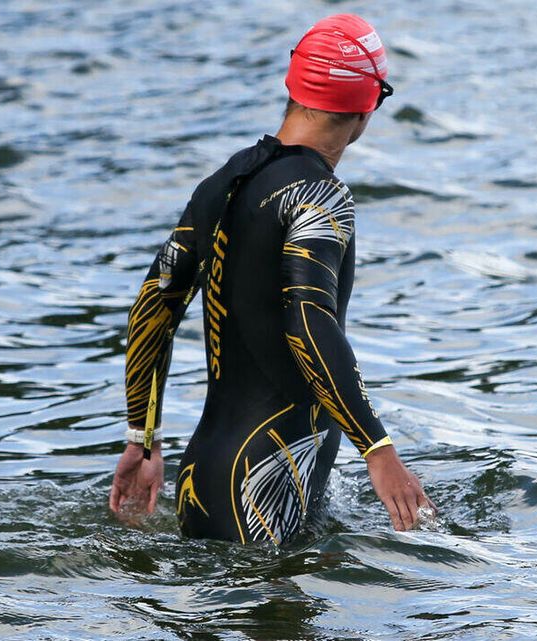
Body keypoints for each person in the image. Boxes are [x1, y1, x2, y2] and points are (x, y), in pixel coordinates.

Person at [108, 13, 433, 544]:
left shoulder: (225, 180)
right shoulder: (320, 196)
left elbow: (154, 303)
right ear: (369, 103)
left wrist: (142, 441)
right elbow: (307, 320)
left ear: (293, 85)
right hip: (265, 488)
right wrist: (379, 451)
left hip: (200, 477)